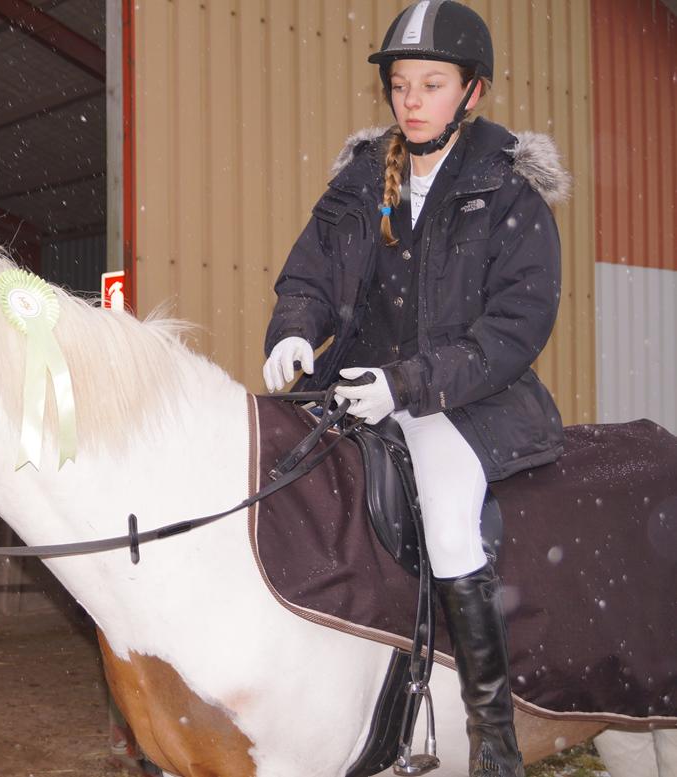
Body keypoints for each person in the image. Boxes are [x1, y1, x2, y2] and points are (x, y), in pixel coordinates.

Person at [262, 2, 567, 775]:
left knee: (449, 517)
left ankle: (493, 733)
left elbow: (512, 329)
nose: (411, 99)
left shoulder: (508, 192)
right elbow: (312, 271)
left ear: (473, 94)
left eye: (431, 83)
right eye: (401, 83)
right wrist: (296, 328)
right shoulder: (365, 179)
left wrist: (405, 384)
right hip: (355, 386)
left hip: (463, 399)